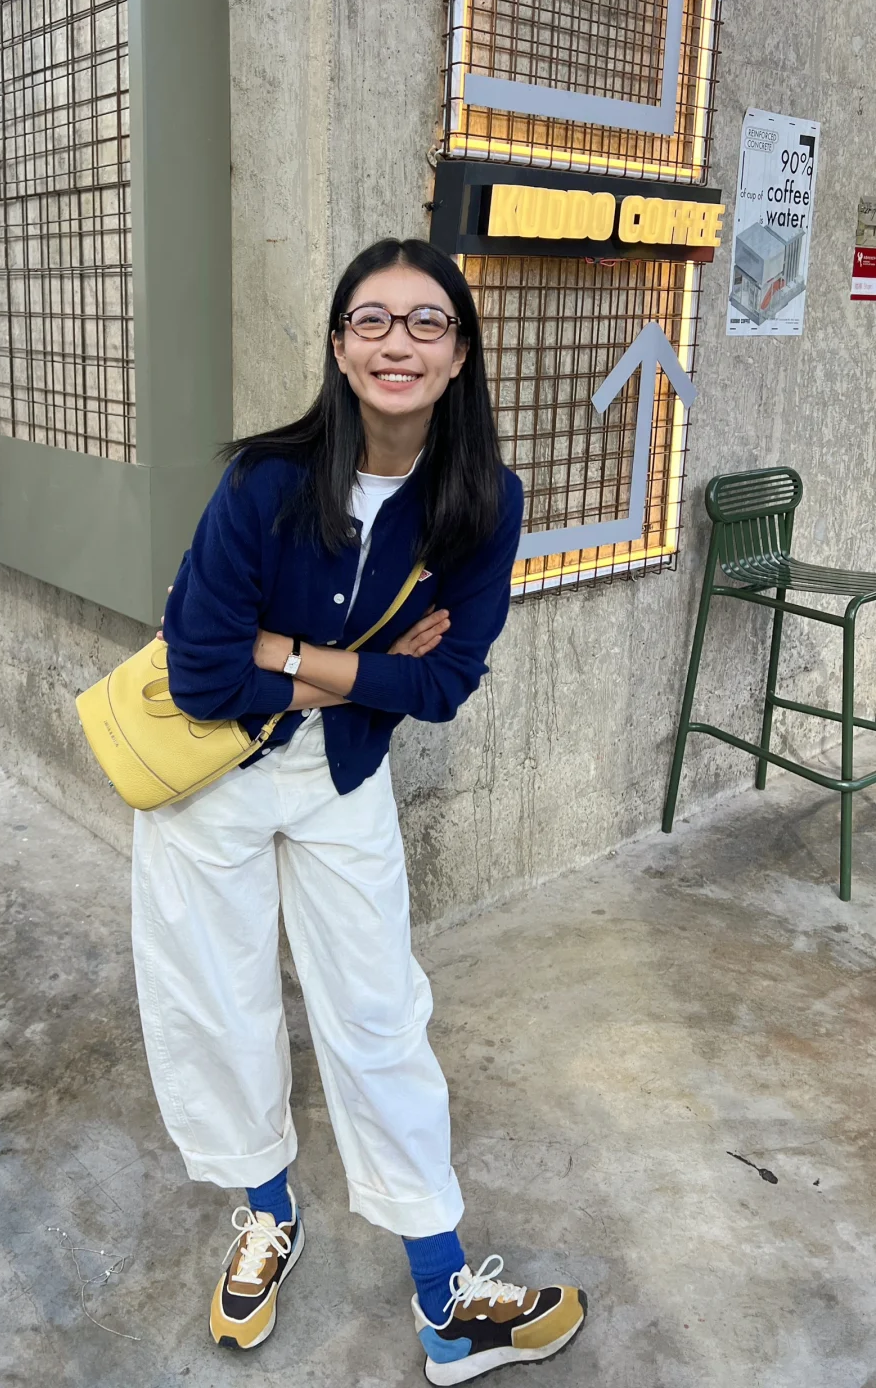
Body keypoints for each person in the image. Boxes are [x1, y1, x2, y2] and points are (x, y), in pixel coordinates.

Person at [132, 238, 587, 1383]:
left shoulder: (482, 503)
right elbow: (200, 675)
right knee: (219, 1005)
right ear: (339, 348)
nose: (398, 342)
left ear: (460, 353)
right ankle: (266, 1211)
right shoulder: (265, 481)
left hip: (340, 776)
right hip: (209, 781)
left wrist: (285, 654)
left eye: (427, 321)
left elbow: (444, 685)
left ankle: (446, 1300)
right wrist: (366, 663)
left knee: (380, 1016)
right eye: (371, 320)